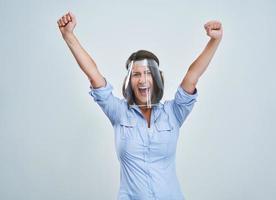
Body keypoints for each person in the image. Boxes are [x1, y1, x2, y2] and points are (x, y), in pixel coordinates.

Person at [57, 11, 223, 200]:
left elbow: (193, 75)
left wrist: (214, 40)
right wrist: (68, 36)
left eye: (148, 73)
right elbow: (93, 74)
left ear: (157, 78)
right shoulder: (119, 113)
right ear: (129, 81)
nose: (143, 79)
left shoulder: (174, 112)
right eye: (136, 74)